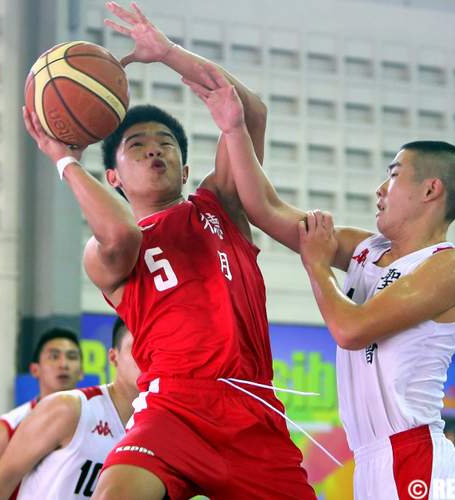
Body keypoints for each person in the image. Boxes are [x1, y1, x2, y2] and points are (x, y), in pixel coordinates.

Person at [23, 3, 315, 499]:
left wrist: (168, 53)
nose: (154, 149)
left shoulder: (218, 202)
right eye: (136, 146)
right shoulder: (105, 253)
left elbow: (251, 113)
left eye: (165, 144)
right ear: (112, 177)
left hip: (253, 411)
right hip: (174, 407)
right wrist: (64, 162)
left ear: (183, 170)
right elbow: (121, 235)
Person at [186, 66, 455, 499]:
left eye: (394, 175)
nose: (380, 188)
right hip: (370, 460)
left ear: (431, 190)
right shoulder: (367, 249)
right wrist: (234, 129)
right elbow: (263, 207)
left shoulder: (450, 267)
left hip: (416, 455)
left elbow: (351, 330)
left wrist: (317, 266)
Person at [0, 319, 140, 500]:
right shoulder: (65, 408)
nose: (63, 364)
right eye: (137, 347)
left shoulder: (161, 427)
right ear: (113, 357)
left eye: (71, 357)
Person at [0, 328, 83, 498]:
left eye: (71, 357)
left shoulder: (98, 421)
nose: (64, 364)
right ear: (35, 370)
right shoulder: (8, 427)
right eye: (54, 356)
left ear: (81, 372)